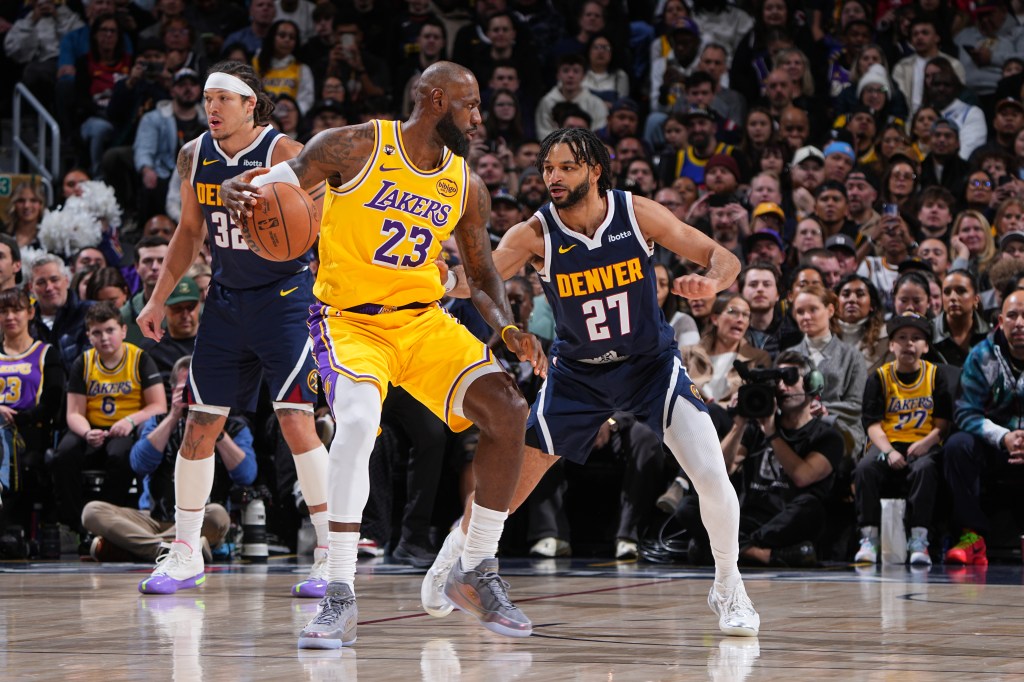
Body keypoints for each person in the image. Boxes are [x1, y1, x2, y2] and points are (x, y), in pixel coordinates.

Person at [220, 61, 547, 646]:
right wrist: (236, 188)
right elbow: (270, 184)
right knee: (356, 422)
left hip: (423, 322)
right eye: (471, 106)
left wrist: (507, 329)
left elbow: (481, 274)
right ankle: (339, 593)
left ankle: (475, 568)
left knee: (510, 410)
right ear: (436, 100)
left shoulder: (465, 184)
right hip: (349, 323)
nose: (479, 119)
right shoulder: (353, 146)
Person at [439, 127, 760, 637]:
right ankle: (455, 556)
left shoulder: (636, 213)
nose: (554, 177)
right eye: (548, 168)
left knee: (711, 476)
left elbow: (724, 258)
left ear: (594, 170)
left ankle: (729, 586)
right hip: (578, 376)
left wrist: (712, 282)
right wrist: (437, 276)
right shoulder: (535, 233)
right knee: (507, 486)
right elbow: (477, 279)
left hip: (649, 367)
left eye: (566, 167)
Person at [135, 61, 331, 599]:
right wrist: (157, 299)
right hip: (224, 301)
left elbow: (325, 224)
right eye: (207, 99)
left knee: (296, 421)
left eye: (223, 98)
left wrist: (265, 192)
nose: (212, 108)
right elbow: (189, 231)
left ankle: (329, 554)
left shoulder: (286, 151)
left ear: (251, 104)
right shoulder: (194, 154)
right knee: (199, 423)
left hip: (285, 299)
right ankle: (184, 553)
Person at [84, 355, 256, 562]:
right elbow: (139, 465)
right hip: (153, 520)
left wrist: (214, 424)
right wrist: (173, 416)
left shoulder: (234, 426)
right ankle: (169, 549)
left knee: (218, 515)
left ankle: (139, 548)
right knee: (92, 511)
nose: (192, 396)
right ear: (173, 390)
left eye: (199, 389)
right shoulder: (157, 422)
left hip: (201, 519)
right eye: (186, 389)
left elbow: (246, 475)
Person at [681, 350, 843, 568]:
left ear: (811, 384)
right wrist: (739, 424)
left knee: (811, 507)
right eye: (777, 381)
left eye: (789, 379)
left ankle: (729, 549)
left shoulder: (828, 436)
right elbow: (719, 470)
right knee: (689, 506)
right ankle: (760, 554)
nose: (782, 387)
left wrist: (771, 433)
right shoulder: (754, 428)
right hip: (747, 518)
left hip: (785, 521)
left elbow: (802, 476)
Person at [49, 302, 167, 537]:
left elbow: (158, 406)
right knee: (63, 454)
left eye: (110, 330)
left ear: (123, 331)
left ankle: (106, 521)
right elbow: (74, 412)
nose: (104, 338)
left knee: (121, 456)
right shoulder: (83, 362)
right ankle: (75, 523)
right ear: (88, 336)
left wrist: (130, 421)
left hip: (125, 427)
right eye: (97, 332)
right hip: (91, 428)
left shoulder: (140, 359)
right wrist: (86, 432)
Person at [853, 312, 950, 566]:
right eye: (902, 338)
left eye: (916, 338)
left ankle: (919, 539)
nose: (909, 343)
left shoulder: (935, 375)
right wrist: (888, 451)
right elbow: (871, 424)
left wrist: (925, 444)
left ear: (926, 346)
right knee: (865, 468)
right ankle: (869, 538)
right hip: (887, 443)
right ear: (892, 345)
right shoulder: (879, 377)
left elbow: (943, 424)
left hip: (924, 443)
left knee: (925, 468)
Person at [943, 289, 1024, 566]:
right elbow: (965, 412)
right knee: (957, 446)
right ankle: (972, 537)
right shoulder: (981, 356)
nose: (1019, 323)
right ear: (1000, 321)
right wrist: (1003, 437)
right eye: (1012, 316)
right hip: (994, 446)